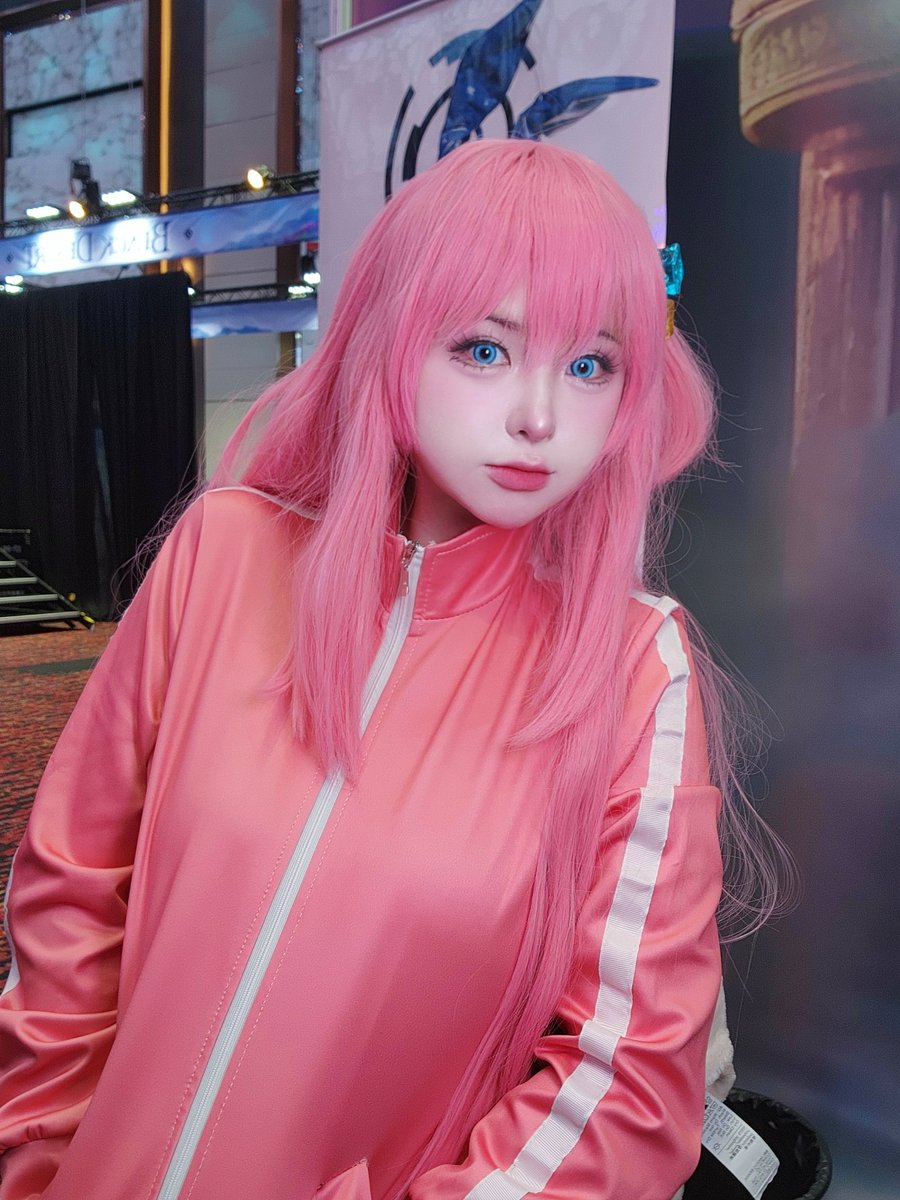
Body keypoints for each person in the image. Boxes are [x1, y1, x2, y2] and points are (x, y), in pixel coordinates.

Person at [0, 138, 779, 1200]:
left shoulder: (634, 668)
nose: (539, 417)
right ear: (391, 336)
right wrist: (40, 1163)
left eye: (590, 365)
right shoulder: (224, 555)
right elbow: (73, 894)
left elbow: (627, 1085)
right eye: (484, 349)